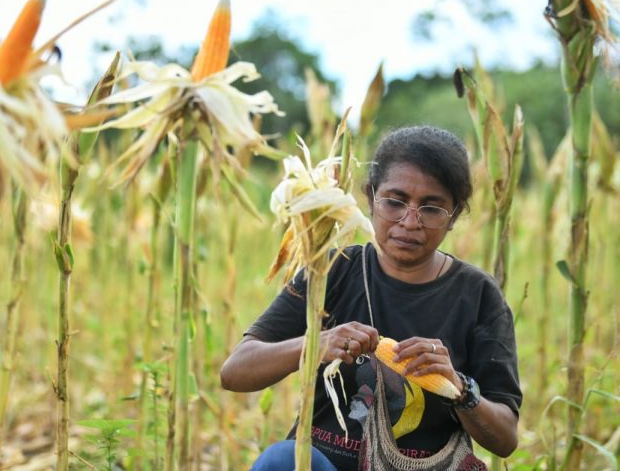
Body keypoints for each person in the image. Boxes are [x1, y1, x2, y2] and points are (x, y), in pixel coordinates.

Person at [220, 126, 522, 470]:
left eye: (432, 208)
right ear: (370, 198)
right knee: (280, 461)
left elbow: (505, 439)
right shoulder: (333, 270)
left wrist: (460, 388)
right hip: (325, 463)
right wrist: (315, 345)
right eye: (395, 202)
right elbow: (235, 372)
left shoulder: (477, 295)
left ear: (454, 216)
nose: (410, 222)